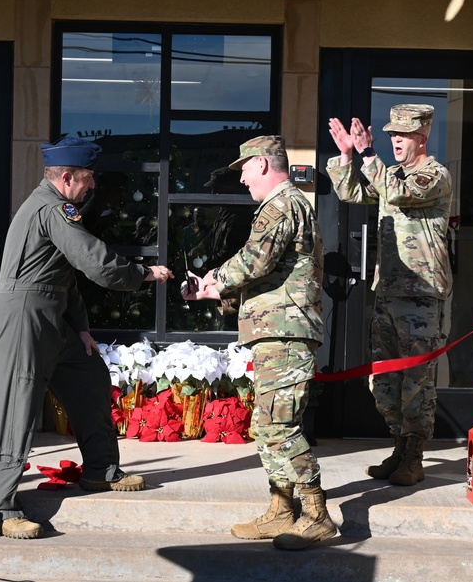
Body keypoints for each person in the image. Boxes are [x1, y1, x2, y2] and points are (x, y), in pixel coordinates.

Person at [0, 137, 174, 539]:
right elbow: (92, 260)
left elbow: (62, 275)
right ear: (67, 177)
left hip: (51, 315)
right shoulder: (52, 208)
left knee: (88, 376)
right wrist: (143, 275)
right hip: (24, 316)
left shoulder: (56, 207)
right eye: (87, 179)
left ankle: (100, 469)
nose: (92, 186)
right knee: (17, 407)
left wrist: (82, 329)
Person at [183, 135, 336, 551]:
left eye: (246, 169)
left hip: (287, 335)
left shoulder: (281, 205)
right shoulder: (286, 206)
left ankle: (317, 513)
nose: (244, 179)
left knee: (279, 427)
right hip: (277, 331)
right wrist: (220, 293)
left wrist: (214, 278)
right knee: (266, 426)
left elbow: (255, 260)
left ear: (265, 165)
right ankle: (282, 509)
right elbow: (273, 275)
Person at [326, 104, 453, 487]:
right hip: (388, 291)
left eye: (403, 134)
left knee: (416, 380)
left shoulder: (434, 175)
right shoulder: (388, 174)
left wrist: (368, 155)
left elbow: (395, 193)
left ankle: (414, 456)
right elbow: (352, 192)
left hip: (421, 295)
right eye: (391, 133)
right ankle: (399, 447)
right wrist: (347, 156)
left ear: (422, 137)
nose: (395, 139)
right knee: (384, 381)